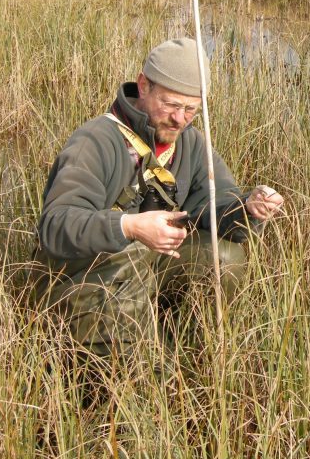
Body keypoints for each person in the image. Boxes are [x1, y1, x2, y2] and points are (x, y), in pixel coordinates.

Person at [31, 37, 284, 358]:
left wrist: (247, 208)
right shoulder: (95, 141)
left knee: (223, 258)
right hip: (83, 276)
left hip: (147, 269)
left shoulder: (190, 144)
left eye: (191, 109)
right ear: (143, 86)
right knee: (134, 384)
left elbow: (214, 207)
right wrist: (129, 227)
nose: (180, 118)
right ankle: (112, 362)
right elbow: (56, 225)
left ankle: (184, 357)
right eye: (172, 105)